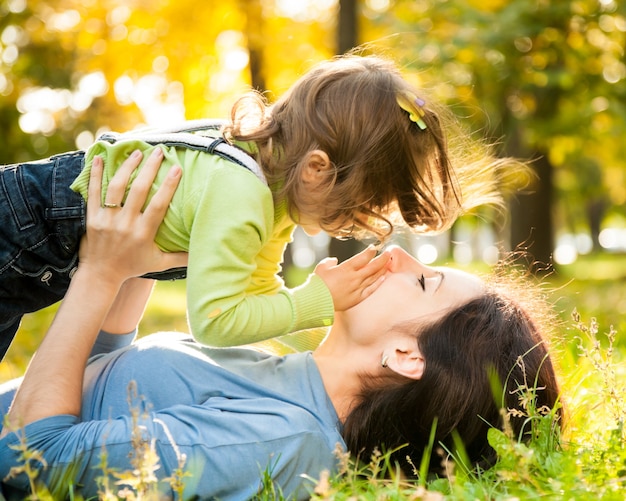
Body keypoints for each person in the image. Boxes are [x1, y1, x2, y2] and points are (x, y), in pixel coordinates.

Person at [0, 148, 561, 500]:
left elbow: (31, 456)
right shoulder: (275, 372)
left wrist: (99, 273)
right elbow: (102, 386)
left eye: (422, 281)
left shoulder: (277, 441)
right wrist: (142, 259)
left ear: (404, 357)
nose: (395, 255)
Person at [0, 53, 512, 361]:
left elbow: (257, 292)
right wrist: (317, 301)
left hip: (37, 250)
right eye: (358, 207)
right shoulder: (242, 194)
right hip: (18, 227)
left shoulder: (273, 197)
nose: (355, 226)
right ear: (316, 168)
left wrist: (302, 340)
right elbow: (216, 321)